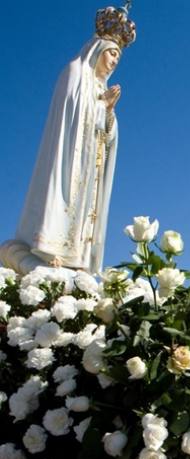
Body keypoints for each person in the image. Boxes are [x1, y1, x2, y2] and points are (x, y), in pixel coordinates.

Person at [5, 6, 134, 275]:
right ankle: (51, 249)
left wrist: (108, 111)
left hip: (91, 169)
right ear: (97, 49)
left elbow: (108, 135)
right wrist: (101, 107)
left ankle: (76, 257)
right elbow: (71, 118)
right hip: (70, 158)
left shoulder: (101, 88)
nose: (113, 62)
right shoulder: (76, 73)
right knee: (64, 195)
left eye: (118, 59)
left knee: (86, 209)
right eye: (112, 53)